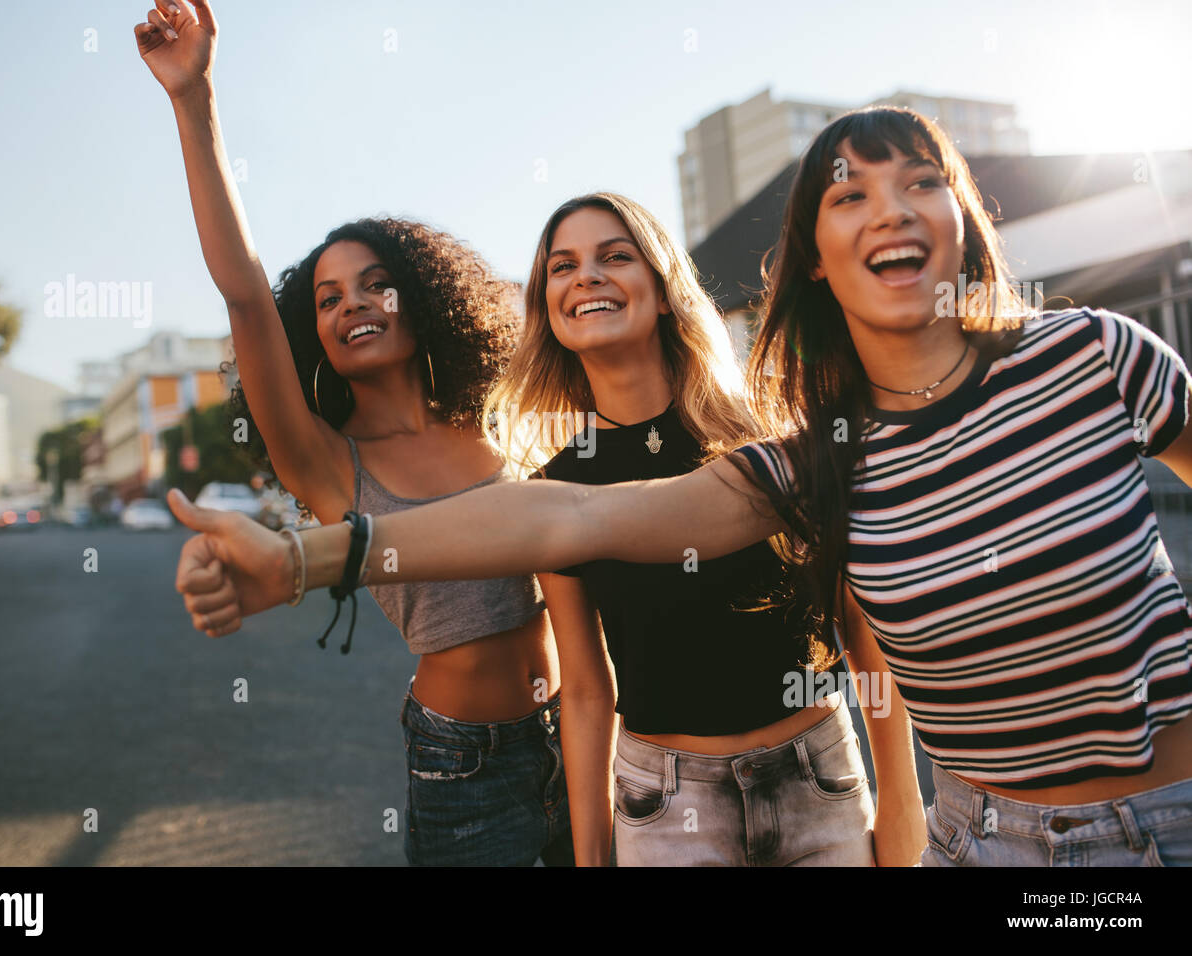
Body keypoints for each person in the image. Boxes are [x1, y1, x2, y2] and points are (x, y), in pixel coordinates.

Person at [168, 106, 1192, 866]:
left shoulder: (1076, 359)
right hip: (907, 828)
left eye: (920, 180)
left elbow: (859, 648)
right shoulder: (788, 462)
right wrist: (309, 555)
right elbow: (568, 524)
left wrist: (894, 817)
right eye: (850, 193)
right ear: (820, 264)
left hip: (1063, 805)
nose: (891, 207)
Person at [135, 0, 570, 866]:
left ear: (424, 298)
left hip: (580, 735)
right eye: (330, 298)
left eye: (376, 284)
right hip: (464, 769)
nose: (354, 305)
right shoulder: (329, 465)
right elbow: (247, 294)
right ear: (316, 336)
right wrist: (195, 100)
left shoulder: (502, 422)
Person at [481, 191, 922, 865]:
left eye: (615, 256)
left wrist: (900, 805)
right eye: (562, 267)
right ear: (548, 307)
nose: (587, 276)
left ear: (662, 293)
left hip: (818, 782)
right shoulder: (554, 491)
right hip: (662, 807)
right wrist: (592, 857)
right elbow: (588, 688)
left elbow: (862, 633)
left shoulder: (766, 436)